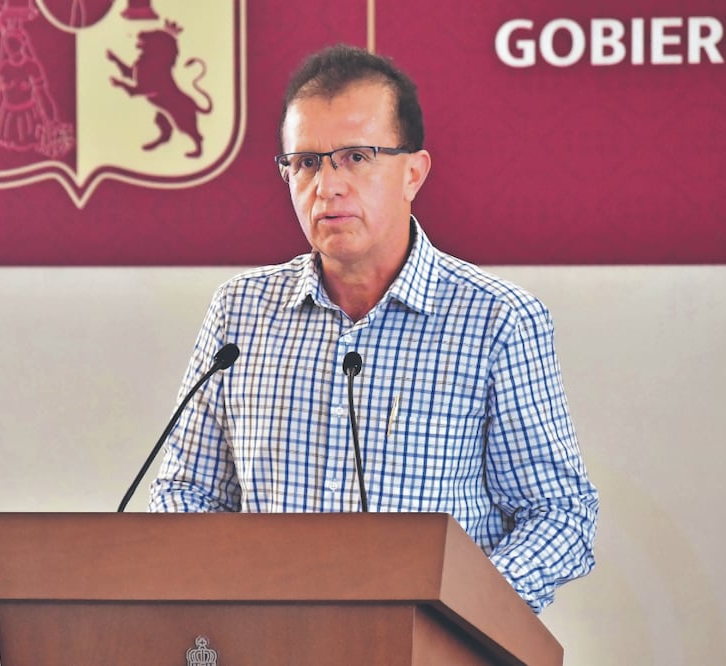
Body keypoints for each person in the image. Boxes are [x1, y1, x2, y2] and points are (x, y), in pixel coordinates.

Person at [148, 44, 598, 613]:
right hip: (266, 639)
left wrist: (460, 612)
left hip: (427, 642)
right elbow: (187, 491)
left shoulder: (497, 320)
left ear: (413, 173)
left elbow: (559, 515)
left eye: (356, 157)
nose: (327, 186)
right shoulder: (240, 312)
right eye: (305, 163)